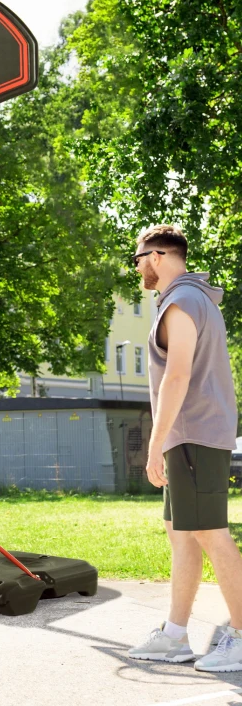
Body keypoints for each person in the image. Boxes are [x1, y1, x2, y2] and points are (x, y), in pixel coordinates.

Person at [127, 225, 242, 671]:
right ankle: (175, 635)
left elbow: (177, 376)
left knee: (211, 533)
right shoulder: (194, 300)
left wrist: (154, 445)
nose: (137, 268)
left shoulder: (182, 302)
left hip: (194, 433)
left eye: (137, 259)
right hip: (189, 434)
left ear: (156, 256)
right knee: (182, 534)